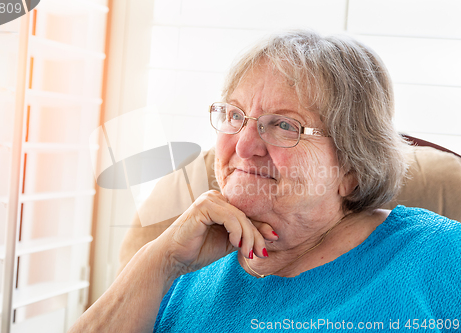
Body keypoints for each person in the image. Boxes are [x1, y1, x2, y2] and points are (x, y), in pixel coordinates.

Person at [69, 30, 461, 333]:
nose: (244, 144)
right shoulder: (180, 269)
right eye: (235, 115)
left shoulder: (440, 256)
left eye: (284, 125)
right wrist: (160, 261)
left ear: (351, 168)